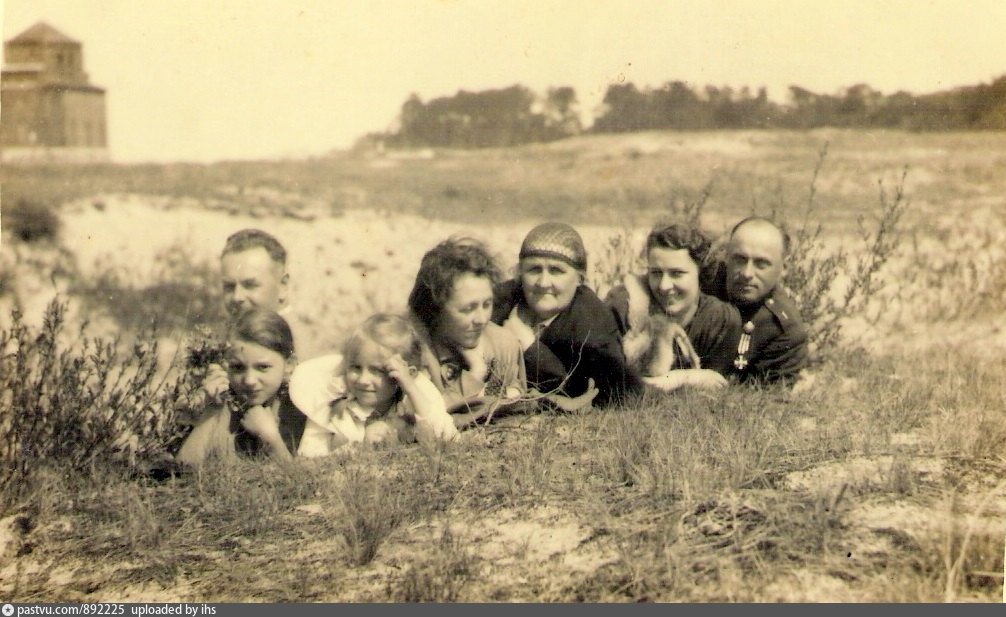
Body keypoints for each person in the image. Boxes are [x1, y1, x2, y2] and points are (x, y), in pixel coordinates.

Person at [492, 222, 642, 408]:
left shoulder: (592, 322)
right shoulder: (500, 301)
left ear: (580, 279)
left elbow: (609, 393)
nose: (543, 282)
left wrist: (529, 347)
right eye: (534, 269)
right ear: (520, 273)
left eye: (556, 271)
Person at [289, 313, 457, 457]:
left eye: (377, 371)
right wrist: (362, 447)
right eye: (355, 367)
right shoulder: (332, 407)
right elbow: (309, 458)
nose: (363, 380)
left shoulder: (410, 403)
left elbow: (447, 436)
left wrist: (411, 389)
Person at [606, 223, 743, 391]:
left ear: (700, 273)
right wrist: (678, 379)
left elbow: (715, 385)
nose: (664, 286)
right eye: (656, 273)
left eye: (677, 273)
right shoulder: (624, 306)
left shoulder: (720, 319)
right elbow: (609, 383)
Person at [407, 236, 527, 427]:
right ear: (436, 308)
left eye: (487, 304)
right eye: (468, 309)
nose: (481, 319)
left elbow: (518, 398)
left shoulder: (504, 344)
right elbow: (425, 414)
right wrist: (477, 375)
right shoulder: (413, 347)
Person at [175, 308, 306, 466]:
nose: (249, 380)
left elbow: (295, 477)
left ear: (289, 364)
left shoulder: (296, 408)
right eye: (238, 367)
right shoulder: (222, 404)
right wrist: (212, 411)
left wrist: (271, 439)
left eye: (263, 367)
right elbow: (184, 468)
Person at [701, 217, 809, 384]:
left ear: (784, 268)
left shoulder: (785, 330)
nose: (747, 273)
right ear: (726, 257)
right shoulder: (702, 282)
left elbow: (764, 393)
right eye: (740, 259)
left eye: (761, 263)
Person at [218, 228, 318, 361]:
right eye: (229, 286)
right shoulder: (243, 332)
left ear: (282, 285)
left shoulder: (296, 347)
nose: (237, 297)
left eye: (250, 285)